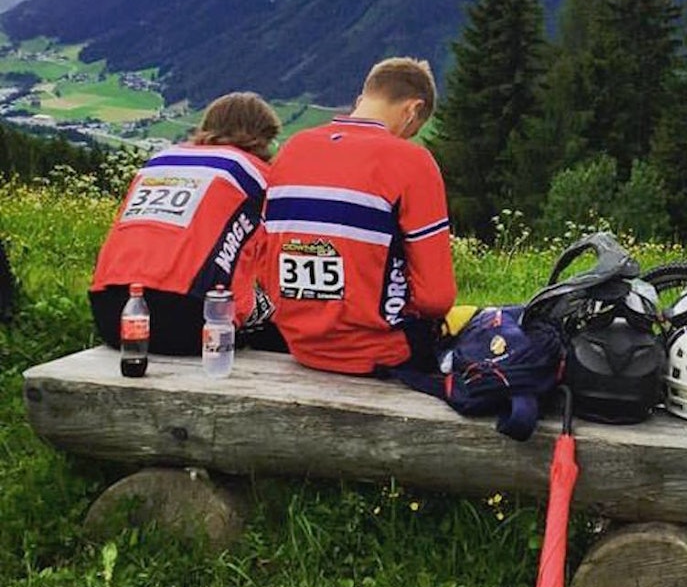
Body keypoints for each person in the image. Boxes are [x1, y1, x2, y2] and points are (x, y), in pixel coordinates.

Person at [259, 56, 456, 375]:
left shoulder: (294, 148)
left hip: (299, 344)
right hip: (381, 353)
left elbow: (262, 257)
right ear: (412, 110)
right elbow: (436, 297)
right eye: (413, 130)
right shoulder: (411, 161)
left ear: (361, 100)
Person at [89, 91, 282, 354]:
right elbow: (275, 260)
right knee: (280, 324)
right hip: (194, 322)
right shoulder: (257, 176)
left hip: (113, 316)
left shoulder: (158, 162)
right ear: (264, 137)